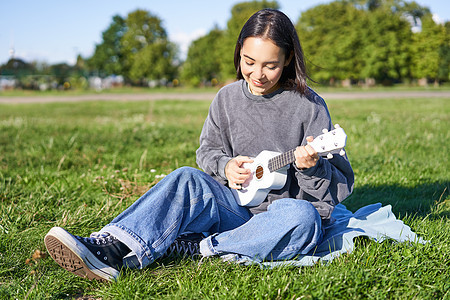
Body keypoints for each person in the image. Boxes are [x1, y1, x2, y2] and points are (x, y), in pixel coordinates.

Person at [44, 8, 354, 282]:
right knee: (185, 176)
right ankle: (110, 247)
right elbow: (207, 152)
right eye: (249, 61)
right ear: (239, 53)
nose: (257, 74)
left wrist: (311, 168)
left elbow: (333, 195)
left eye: (270, 65)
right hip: (233, 208)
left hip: (279, 219)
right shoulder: (226, 98)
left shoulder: (308, 106)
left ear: (288, 59)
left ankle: (201, 247)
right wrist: (225, 166)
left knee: (303, 219)